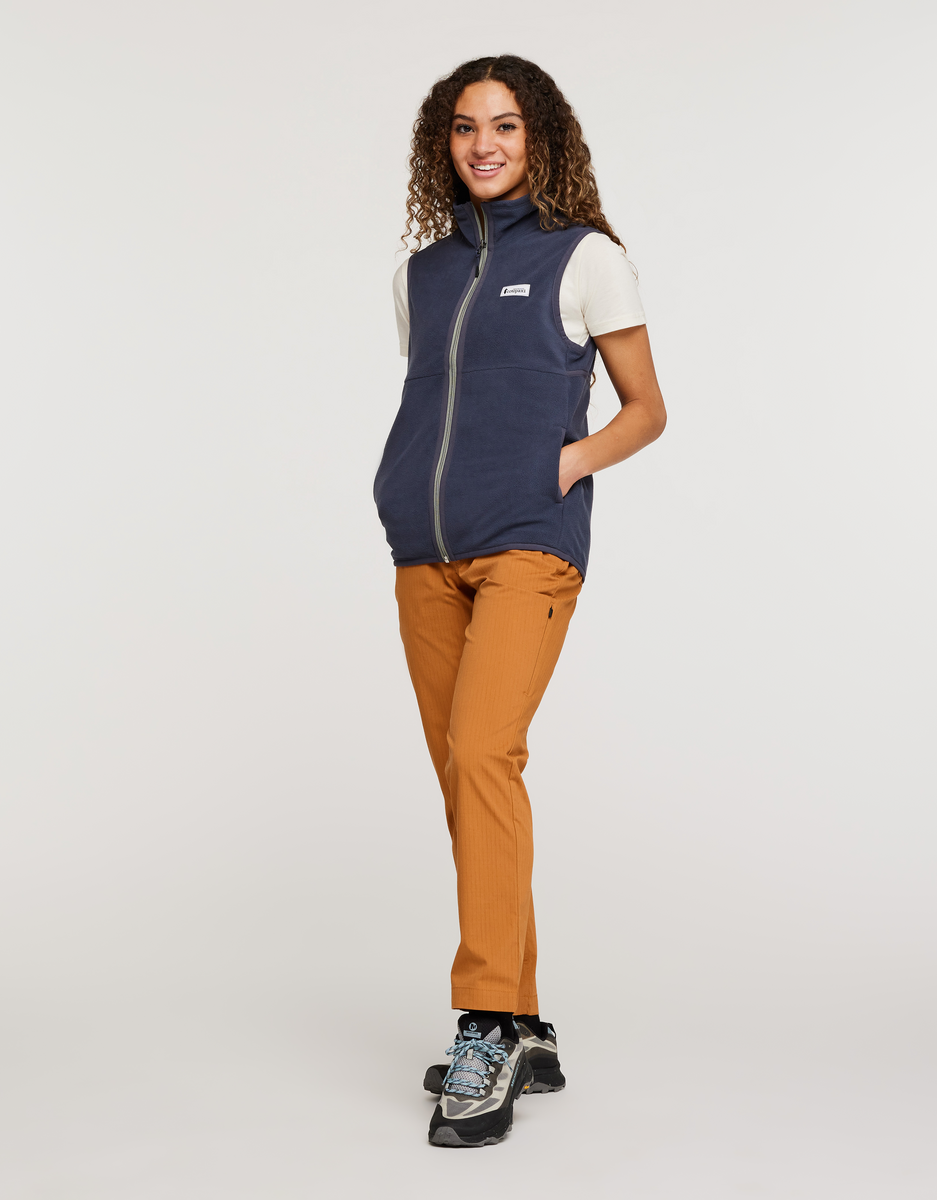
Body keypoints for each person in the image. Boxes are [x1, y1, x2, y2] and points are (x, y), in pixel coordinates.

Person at [373, 54, 666, 1147]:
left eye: (503, 125)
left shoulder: (585, 257)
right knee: (468, 774)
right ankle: (526, 1023)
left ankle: (485, 1021)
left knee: (483, 752)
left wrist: (563, 465)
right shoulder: (421, 274)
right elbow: (437, 401)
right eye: (464, 127)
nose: (483, 144)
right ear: (441, 145)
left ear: (539, 137)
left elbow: (645, 409)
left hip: (529, 547)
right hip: (424, 551)